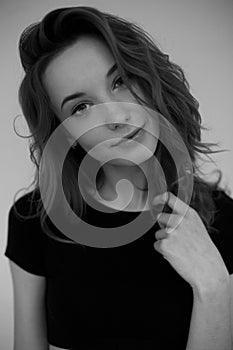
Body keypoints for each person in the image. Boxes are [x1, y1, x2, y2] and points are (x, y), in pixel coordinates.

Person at [4, 6, 233, 350]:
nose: (115, 116)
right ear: (65, 134)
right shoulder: (35, 220)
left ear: (147, 78)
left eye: (120, 81)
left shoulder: (221, 216)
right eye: (80, 107)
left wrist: (213, 286)